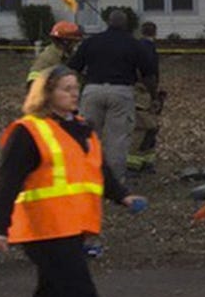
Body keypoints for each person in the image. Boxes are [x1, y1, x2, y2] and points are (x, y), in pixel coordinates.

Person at [0, 66, 147, 297]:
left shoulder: (81, 127)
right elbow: (7, 182)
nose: (73, 94)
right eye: (65, 89)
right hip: (43, 229)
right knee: (80, 296)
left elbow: (97, 171)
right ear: (46, 95)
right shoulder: (28, 131)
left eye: (76, 88)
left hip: (70, 228)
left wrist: (123, 196)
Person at [67, 10, 158, 186]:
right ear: (126, 24)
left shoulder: (91, 41)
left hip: (92, 91)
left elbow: (74, 66)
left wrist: (82, 85)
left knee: (88, 135)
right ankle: (115, 182)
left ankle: (85, 177)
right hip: (121, 92)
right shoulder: (134, 44)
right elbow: (149, 74)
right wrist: (153, 96)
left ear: (107, 22)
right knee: (117, 139)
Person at [128, 22, 164, 174]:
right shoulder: (149, 49)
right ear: (155, 32)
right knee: (146, 128)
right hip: (144, 93)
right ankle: (134, 164)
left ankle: (145, 161)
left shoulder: (135, 46)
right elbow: (150, 74)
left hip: (135, 90)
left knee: (148, 128)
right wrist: (155, 95)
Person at [26, 21, 82, 87]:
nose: (76, 44)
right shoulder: (49, 56)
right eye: (75, 41)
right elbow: (34, 77)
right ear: (66, 42)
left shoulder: (69, 54)